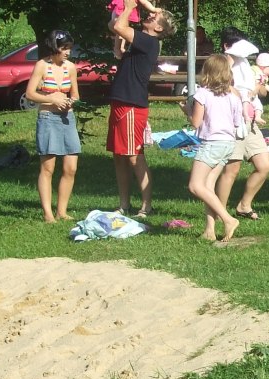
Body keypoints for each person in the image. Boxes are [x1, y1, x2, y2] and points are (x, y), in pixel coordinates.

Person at [107, 0, 176, 217]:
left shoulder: (148, 42)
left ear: (159, 29)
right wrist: (119, 12)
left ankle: (146, 206)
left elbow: (119, 27)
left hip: (132, 105)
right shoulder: (141, 40)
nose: (149, 16)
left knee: (135, 156)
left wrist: (128, 7)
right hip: (121, 101)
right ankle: (124, 204)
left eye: (154, 18)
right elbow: (115, 28)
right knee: (120, 156)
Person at [182, 54, 242, 241]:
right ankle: (209, 230)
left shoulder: (202, 94)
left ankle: (228, 219)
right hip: (228, 143)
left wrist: (187, 111)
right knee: (208, 186)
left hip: (211, 143)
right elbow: (236, 121)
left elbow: (196, 122)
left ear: (207, 72)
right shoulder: (233, 95)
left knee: (195, 185)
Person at [217, 27, 269, 221]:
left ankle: (244, 205)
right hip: (233, 122)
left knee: (264, 165)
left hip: (249, 122)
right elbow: (220, 88)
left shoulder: (245, 65)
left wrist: (257, 89)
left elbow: (259, 91)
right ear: (227, 46)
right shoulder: (221, 64)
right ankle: (220, 212)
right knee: (232, 169)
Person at [25, 30, 81, 223]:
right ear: (54, 48)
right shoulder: (41, 66)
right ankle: (48, 213)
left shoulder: (71, 67)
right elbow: (30, 94)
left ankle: (62, 211)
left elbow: (75, 95)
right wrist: (51, 99)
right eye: (64, 48)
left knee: (71, 168)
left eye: (69, 49)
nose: (67, 52)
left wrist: (69, 101)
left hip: (67, 118)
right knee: (48, 168)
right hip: (48, 117)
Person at [251, 52, 269, 125]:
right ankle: (256, 116)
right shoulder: (254, 71)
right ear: (263, 67)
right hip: (248, 92)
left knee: (258, 105)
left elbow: (265, 85)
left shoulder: (263, 76)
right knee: (257, 105)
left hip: (254, 95)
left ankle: (257, 117)